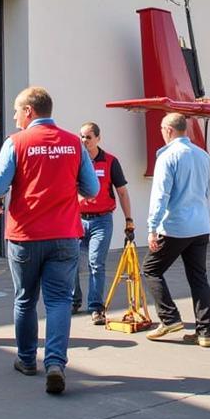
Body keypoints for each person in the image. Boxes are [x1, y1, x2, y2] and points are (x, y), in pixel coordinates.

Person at [0, 86, 99, 394]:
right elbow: (92, 190)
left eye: (15, 111)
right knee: (60, 300)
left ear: (28, 112)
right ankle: (55, 363)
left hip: (26, 235)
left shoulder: (16, 143)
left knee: (25, 299)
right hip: (64, 234)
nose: (13, 116)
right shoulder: (74, 143)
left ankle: (25, 359)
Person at [142, 113, 210, 348]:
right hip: (200, 225)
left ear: (168, 130)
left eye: (162, 129)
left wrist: (152, 228)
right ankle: (204, 332)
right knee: (198, 278)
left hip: (175, 226)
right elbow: (206, 191)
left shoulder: (167, 156)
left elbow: (160, 195)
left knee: (151, 269)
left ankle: (169, 317)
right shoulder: (203, 155)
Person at [72, 121, 134, 323]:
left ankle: (96, 307)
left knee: (96, 263)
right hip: (78, 220)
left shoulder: (110, 161)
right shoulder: (75, 161)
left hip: (102, 220)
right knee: (71, 262)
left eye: (88, 137)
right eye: (81, 136)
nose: (84, 140)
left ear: (98, 138)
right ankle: (74, 300)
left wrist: (129, 220)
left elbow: (122, 193)